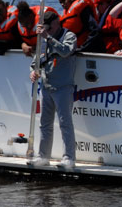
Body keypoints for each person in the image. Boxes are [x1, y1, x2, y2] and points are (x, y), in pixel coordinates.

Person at [28, 10, 77, 170]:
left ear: (57, 22)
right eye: (46, 29)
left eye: (50, 28)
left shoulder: (69, 36)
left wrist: (48, 38)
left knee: (65, 123)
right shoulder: (43, 39)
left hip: (63, 87)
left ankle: (69, 158)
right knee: (45, 123)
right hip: (46, 86)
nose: (48, 31)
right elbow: (38, 58)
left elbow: (66, 51)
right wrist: (33, 70)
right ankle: (43, 157)